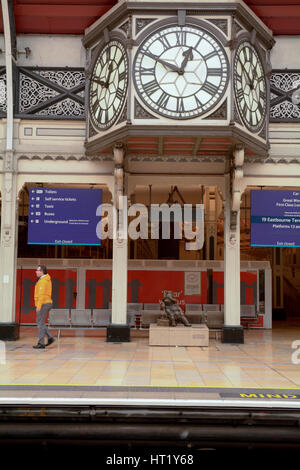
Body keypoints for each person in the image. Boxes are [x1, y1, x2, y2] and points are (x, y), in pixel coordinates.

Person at [33, 265, 55, 349]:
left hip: (43, 304)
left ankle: (41, 343)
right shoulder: (44, 279)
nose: (36, 271)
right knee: (40, 322)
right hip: (46, 303)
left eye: (37, 270)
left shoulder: (43, 281)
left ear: (42, 271)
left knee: (40, 323)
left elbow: (41, 295)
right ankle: (50, 338)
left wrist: (38, 306)